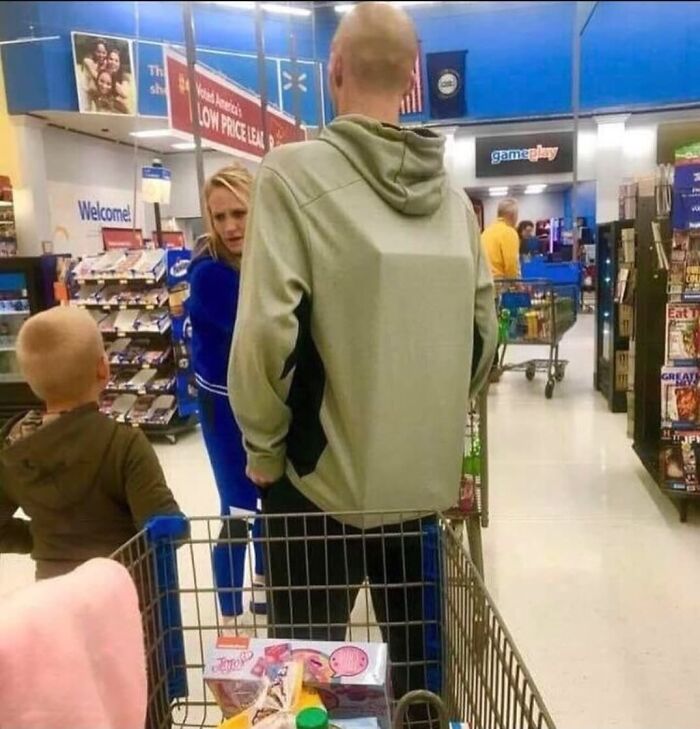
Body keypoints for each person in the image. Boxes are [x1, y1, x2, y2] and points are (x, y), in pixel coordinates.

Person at [229, 0, 497, 703]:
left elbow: (267, 333)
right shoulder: (453, 201)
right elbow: (483, 333)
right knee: (421, 676)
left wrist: (264, 448)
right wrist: (433, 431)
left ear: (335, 69)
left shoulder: (289, 175)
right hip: (420, 488)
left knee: (307, 678)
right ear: (412, 79)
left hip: (314, 484)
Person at [0, 306, 183, 580]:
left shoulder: (13, 451)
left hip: (54, 591)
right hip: (124, 587)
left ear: (29, 380)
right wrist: (181, 528)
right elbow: (165, 526)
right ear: (103, 369)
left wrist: (37, 539)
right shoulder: (124, 444)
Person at [189, 164, 265, 624]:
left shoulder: (267, 258)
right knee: (237, 507)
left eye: (239, 213)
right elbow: (258, 331)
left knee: (269, 503)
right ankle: (229, 617)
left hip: (262, 401)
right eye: (219, 217)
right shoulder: (208, 275)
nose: (230, 226)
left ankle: (264, 586)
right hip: (223, 405)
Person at [482, 198, 521, 279]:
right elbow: (511, 264)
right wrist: (515, 283)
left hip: (485, 279)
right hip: (500, 281)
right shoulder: (509, 232)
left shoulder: (486, 231)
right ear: (512, 215)